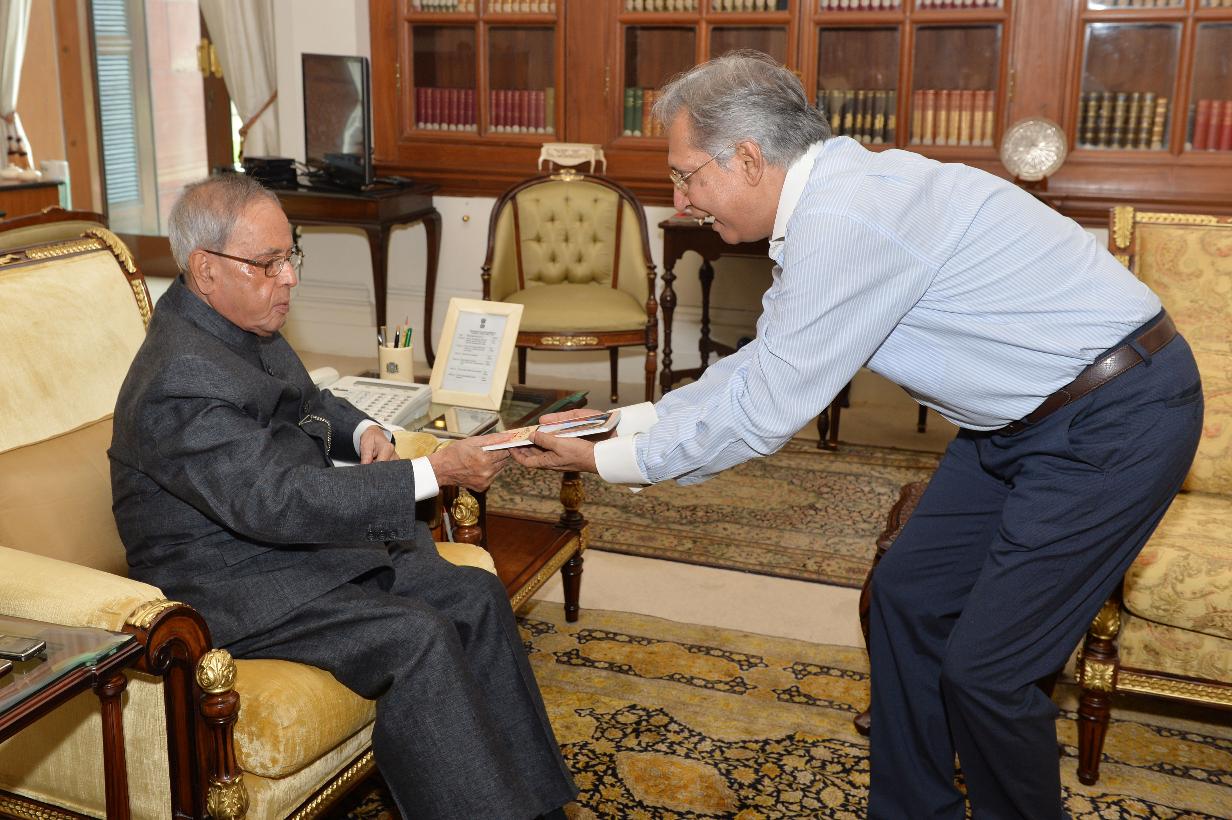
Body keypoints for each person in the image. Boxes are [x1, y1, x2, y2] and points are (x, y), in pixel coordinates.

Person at [510, 51, 1203, 819]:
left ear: (748, 159)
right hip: (1019, 420)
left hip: (1114, 416)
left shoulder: (847, 219)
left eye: (687, 176)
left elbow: (765, 409)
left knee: (989, 674)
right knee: (907, 598)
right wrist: (622, 421)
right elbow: (764, 362)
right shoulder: (831, 202)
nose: (681, 201)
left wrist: (612, 459)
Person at [109, 174, 576, 820]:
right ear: (206, 269)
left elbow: (309, 399)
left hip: (289, 550)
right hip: (233, 583)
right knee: (417, 637)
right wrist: (433, 471)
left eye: (290, 255)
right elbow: (275, 499)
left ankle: (538, 808)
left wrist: (364, 431)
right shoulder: (179, 378)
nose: (290, 278)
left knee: (475, 595)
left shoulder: (238, 322)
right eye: (268, 263)